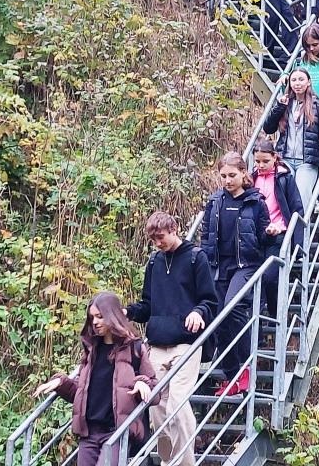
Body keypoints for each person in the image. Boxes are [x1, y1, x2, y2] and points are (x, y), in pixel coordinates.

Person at [126, 212, 217, 466]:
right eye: (153, 239)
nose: (157, 243)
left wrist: (199, 313)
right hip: (156, 345)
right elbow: (147, 305)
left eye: (161, 237)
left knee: (177, 405)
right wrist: (128, 312)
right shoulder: (154, 262)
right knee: (156, 410)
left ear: (174, 229)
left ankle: (185, 463)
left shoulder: (195, 258)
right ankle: (169, 461)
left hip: (186, 345)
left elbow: (210, 301)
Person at [35, 291, 159, 466]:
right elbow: (82, 392)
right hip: (89, 433)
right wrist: (60, 383)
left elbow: (154, 389)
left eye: (100, 317)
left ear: (112, 316)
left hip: (116, 432)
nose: (95, 322)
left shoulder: (134, 348)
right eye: (92, 317)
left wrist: (142, 383)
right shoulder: (91, 349)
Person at [201, 152, 269, 396]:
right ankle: (232, 377)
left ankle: (245, 367)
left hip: (245, 265)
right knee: (218, 319)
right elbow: (206, 236)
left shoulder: (255, 202)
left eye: (232, 175)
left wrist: (271, 233)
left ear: (243, 173)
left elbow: (262, 236)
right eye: (223, 176)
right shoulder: (215, 202)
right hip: (220, 266)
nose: (227, 180)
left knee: (232, 308)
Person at [262, 68, 319, 210]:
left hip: (307, 161)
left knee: (301, 196)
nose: (297, 83)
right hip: (285, 159)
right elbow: (268, 128)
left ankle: (301, 231)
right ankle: (284, 229)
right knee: (280, 194)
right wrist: (279, 107)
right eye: (294, 80)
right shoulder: (285, 103)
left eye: (301, 80)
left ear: (308, 82)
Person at [252, 138, 304, 322]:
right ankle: (260, 316)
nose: (261, 165)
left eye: (265, 161)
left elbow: (296, 209)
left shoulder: (284, 178)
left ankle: (275, 314)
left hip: (279, 235)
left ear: (275, 157)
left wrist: (296, 240)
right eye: (257, 161)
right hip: (257, 236)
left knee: (270, 276)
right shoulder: (251, 179)